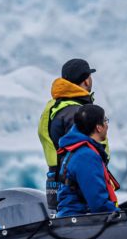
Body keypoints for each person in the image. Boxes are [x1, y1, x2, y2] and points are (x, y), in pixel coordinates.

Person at [39, 58, 97, 210]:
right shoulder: (76, 113)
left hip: (57, 182)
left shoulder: (56, 107)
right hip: (76, 191)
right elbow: (81, 158)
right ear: (85, 80)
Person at [55, 104, 119, 216]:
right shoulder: (86, 156)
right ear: (98, 127)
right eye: (105, 120)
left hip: (71, 218)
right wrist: (122, 215)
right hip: (79, 221)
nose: (107, 125)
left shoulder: (78, 151)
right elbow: (98, 203)